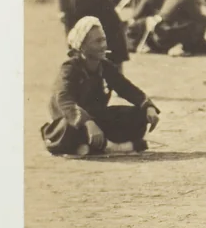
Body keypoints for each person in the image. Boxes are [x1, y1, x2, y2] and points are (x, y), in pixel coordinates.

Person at [40, 17, 161, 156]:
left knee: (139, 115)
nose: (104, 45)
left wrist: (148, 106)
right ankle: (111, 146)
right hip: (72, 122)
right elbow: (64, 99)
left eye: (104, 40)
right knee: (68, 130)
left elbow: (126, 88)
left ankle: (93, 147)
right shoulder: (70, 68)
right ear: (82, 46)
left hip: (97, 119)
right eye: (98, 41)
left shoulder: (105, 66)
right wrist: (88, 122)